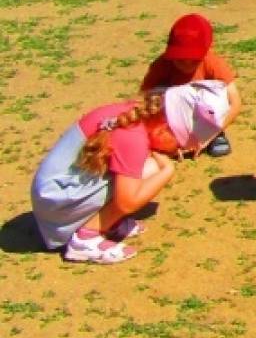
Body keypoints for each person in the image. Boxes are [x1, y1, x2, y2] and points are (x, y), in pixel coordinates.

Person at [31, 81, 231, 263]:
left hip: (55, 193)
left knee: (147, 164)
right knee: (153, 169)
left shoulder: (134, 115)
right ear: (165, 129)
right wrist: (167, 172)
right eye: (178, 144)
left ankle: (107, 222)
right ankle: (86, 238)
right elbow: (127, 202)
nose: (178, 151)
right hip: (56, 202)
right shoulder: (133, 138)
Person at [141, 13, 241, 158]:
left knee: (219, 95)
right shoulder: (161, 65)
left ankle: (216, 135)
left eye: (194, 60)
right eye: (180, 60)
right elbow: (143, 99)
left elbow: (235, 102)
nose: (187, 65)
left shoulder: (212, 62)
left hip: (204, 119)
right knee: (156, 97)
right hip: (170, 120)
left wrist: (212, 135)